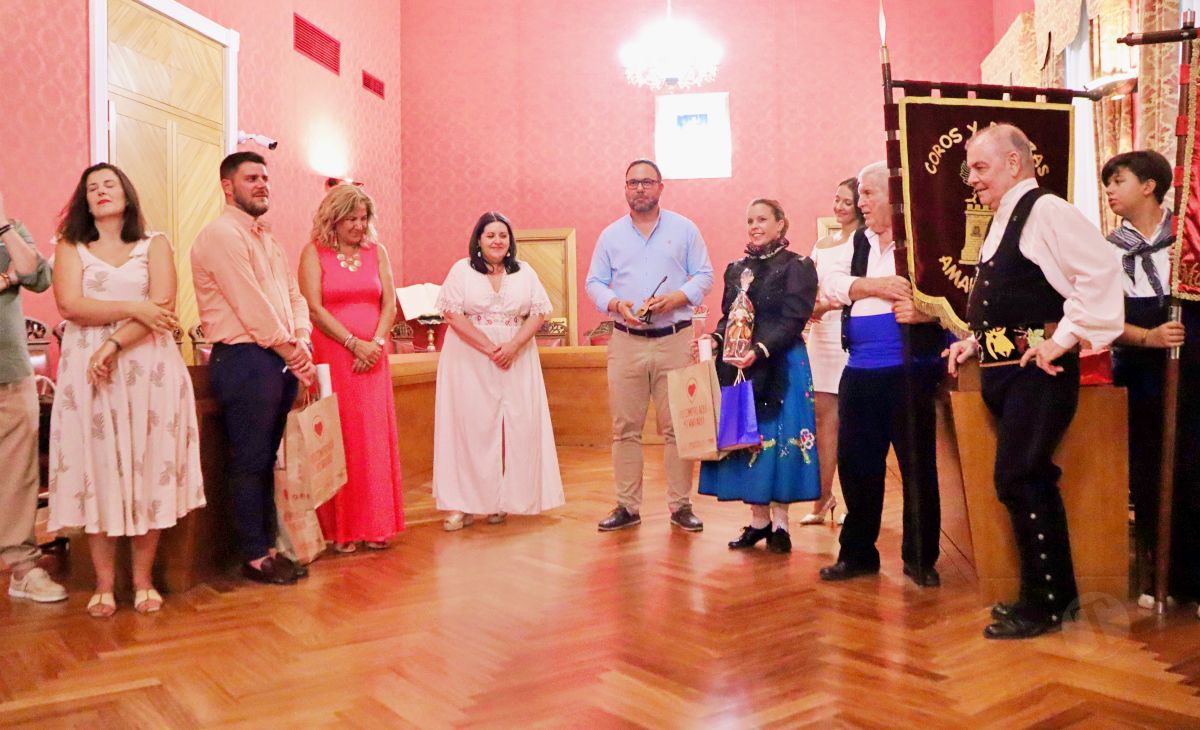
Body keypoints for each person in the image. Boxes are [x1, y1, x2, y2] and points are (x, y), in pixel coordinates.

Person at [947, 124, 1123, 639]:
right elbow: (1014, 302)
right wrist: (977, 342)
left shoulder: (1046, 210)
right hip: (1008, 373)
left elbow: (1100, 274)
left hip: (1040, 375)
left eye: (980, 167)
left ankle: (1045, 603)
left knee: (1021, 477)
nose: (972, 179)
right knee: (1020, 479)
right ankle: (1050, 594)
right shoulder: (1004, 216)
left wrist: (1063, 340)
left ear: (1015, 163)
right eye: (970, 169)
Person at [47, 163, 204, 617]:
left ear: (127, 194)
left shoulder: (154, 244)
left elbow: (165, 307)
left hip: (147, 369)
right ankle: (102, 583)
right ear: (84, 200)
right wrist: (134, 306)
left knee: (146, 464)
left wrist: (114, 341)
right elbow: (70, 305)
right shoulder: (69, 247)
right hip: (89, 373)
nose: (100, 192)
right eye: (91, 187)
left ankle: (141, 580)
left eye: (109, 184)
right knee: (98, 467)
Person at [192, 151, 316, 586]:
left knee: (267, 459)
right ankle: (253, 553)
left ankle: (268, 545)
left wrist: (301, 340)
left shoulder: (268, 237)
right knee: (249, 460)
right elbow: (252, 306)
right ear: (228, 186)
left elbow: (293, 296)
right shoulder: (220, 236)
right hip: (245, 359)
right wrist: (294, 354)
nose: (262, 184)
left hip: (277, 357)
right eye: (251, 178)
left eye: (265, 177)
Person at [817, 161, 944, 589]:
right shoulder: (857, 244)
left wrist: (926, 315)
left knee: (917, 468)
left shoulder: (924, 242)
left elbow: (955, 300)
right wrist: (877, 286)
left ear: (894, 196)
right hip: (860, 373)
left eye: (868, 194)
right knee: (856, 467)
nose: (861, 203)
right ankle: (857, 556)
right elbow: (832, 286)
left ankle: (921, 559)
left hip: (909, 374)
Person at [585, 159, 715, 532]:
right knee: (624, 428)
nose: (639, 188)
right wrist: (615, 304)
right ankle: (627, 506)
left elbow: (704, 274)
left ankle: (680, 505)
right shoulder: (610, 236)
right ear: (625, 189)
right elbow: (594, 282)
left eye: (646, 182)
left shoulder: (684, 228)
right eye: (632, 183)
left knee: (677, 427)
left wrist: (677, 297)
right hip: (626, 342)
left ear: (661, 187)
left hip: (675, 339)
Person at [695, 199, 820, 552]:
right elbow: (728, 317)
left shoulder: (799, 266)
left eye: (763, 219)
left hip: (781, 363)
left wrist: (761, 350)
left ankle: (781, 525)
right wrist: (716, 339)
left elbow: (795, 319)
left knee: (778, 440)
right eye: (750, 219)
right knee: (749, 438)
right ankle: (758, 522)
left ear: (781, 224)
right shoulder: (736, 269)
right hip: (740, 367)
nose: (755, 225)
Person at [432, 211, 564, 529]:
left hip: (517, 355)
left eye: (503, 235)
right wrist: (490, 347)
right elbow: (452, 313)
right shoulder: (461, 270)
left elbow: (539, 313)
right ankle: (462, 505)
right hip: (468, 355)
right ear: (478, 239)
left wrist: (514, 345)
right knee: (469, 426)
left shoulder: (525, 272)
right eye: (490, 235)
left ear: (510, 241)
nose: (497, 241)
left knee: (517, 423)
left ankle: (501, 500)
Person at [1101, 150, 1194, 604]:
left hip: (1190, 368)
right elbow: (1100, 318)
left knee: (1191, 467)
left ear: (1150, 185)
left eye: (1118, 181)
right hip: (1139, 370)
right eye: (1108, 185)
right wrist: (1148, 337)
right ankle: (1161, 576)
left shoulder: (1188, 240)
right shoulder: (1108, 250)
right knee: (1149, 468)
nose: (1111, 191)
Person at [299, 184, 404, 553]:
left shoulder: (378, 253)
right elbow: (313, 307)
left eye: (364, 219)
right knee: (338, 437)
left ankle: (376, 524)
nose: (360, 226)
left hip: (373, 359)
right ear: (333, 219)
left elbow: (389, 303)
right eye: (352, 219)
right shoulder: (314, 253)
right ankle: (341, 528)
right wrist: (351, 342)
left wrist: (374, 344)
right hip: (335, 356)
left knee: (371, 440)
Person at [0, 193, 67, 605]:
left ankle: (22, 567)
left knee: (19, 475)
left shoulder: (9, 228)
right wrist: (8, 280)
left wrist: (4, 226)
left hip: (12, 373)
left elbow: (37, 275)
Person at [800, 178, 861, 526]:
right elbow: (809, 281)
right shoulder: (822, 243)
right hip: (820, 334)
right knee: (823, 418)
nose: (838, 207)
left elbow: (855, 287)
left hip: (847, 331)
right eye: (836, 200)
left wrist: (826, 304)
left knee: (850, 420)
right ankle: (823, 496)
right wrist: (809, 305)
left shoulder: (862, 242)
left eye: (846, 202)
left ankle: (856, 499)